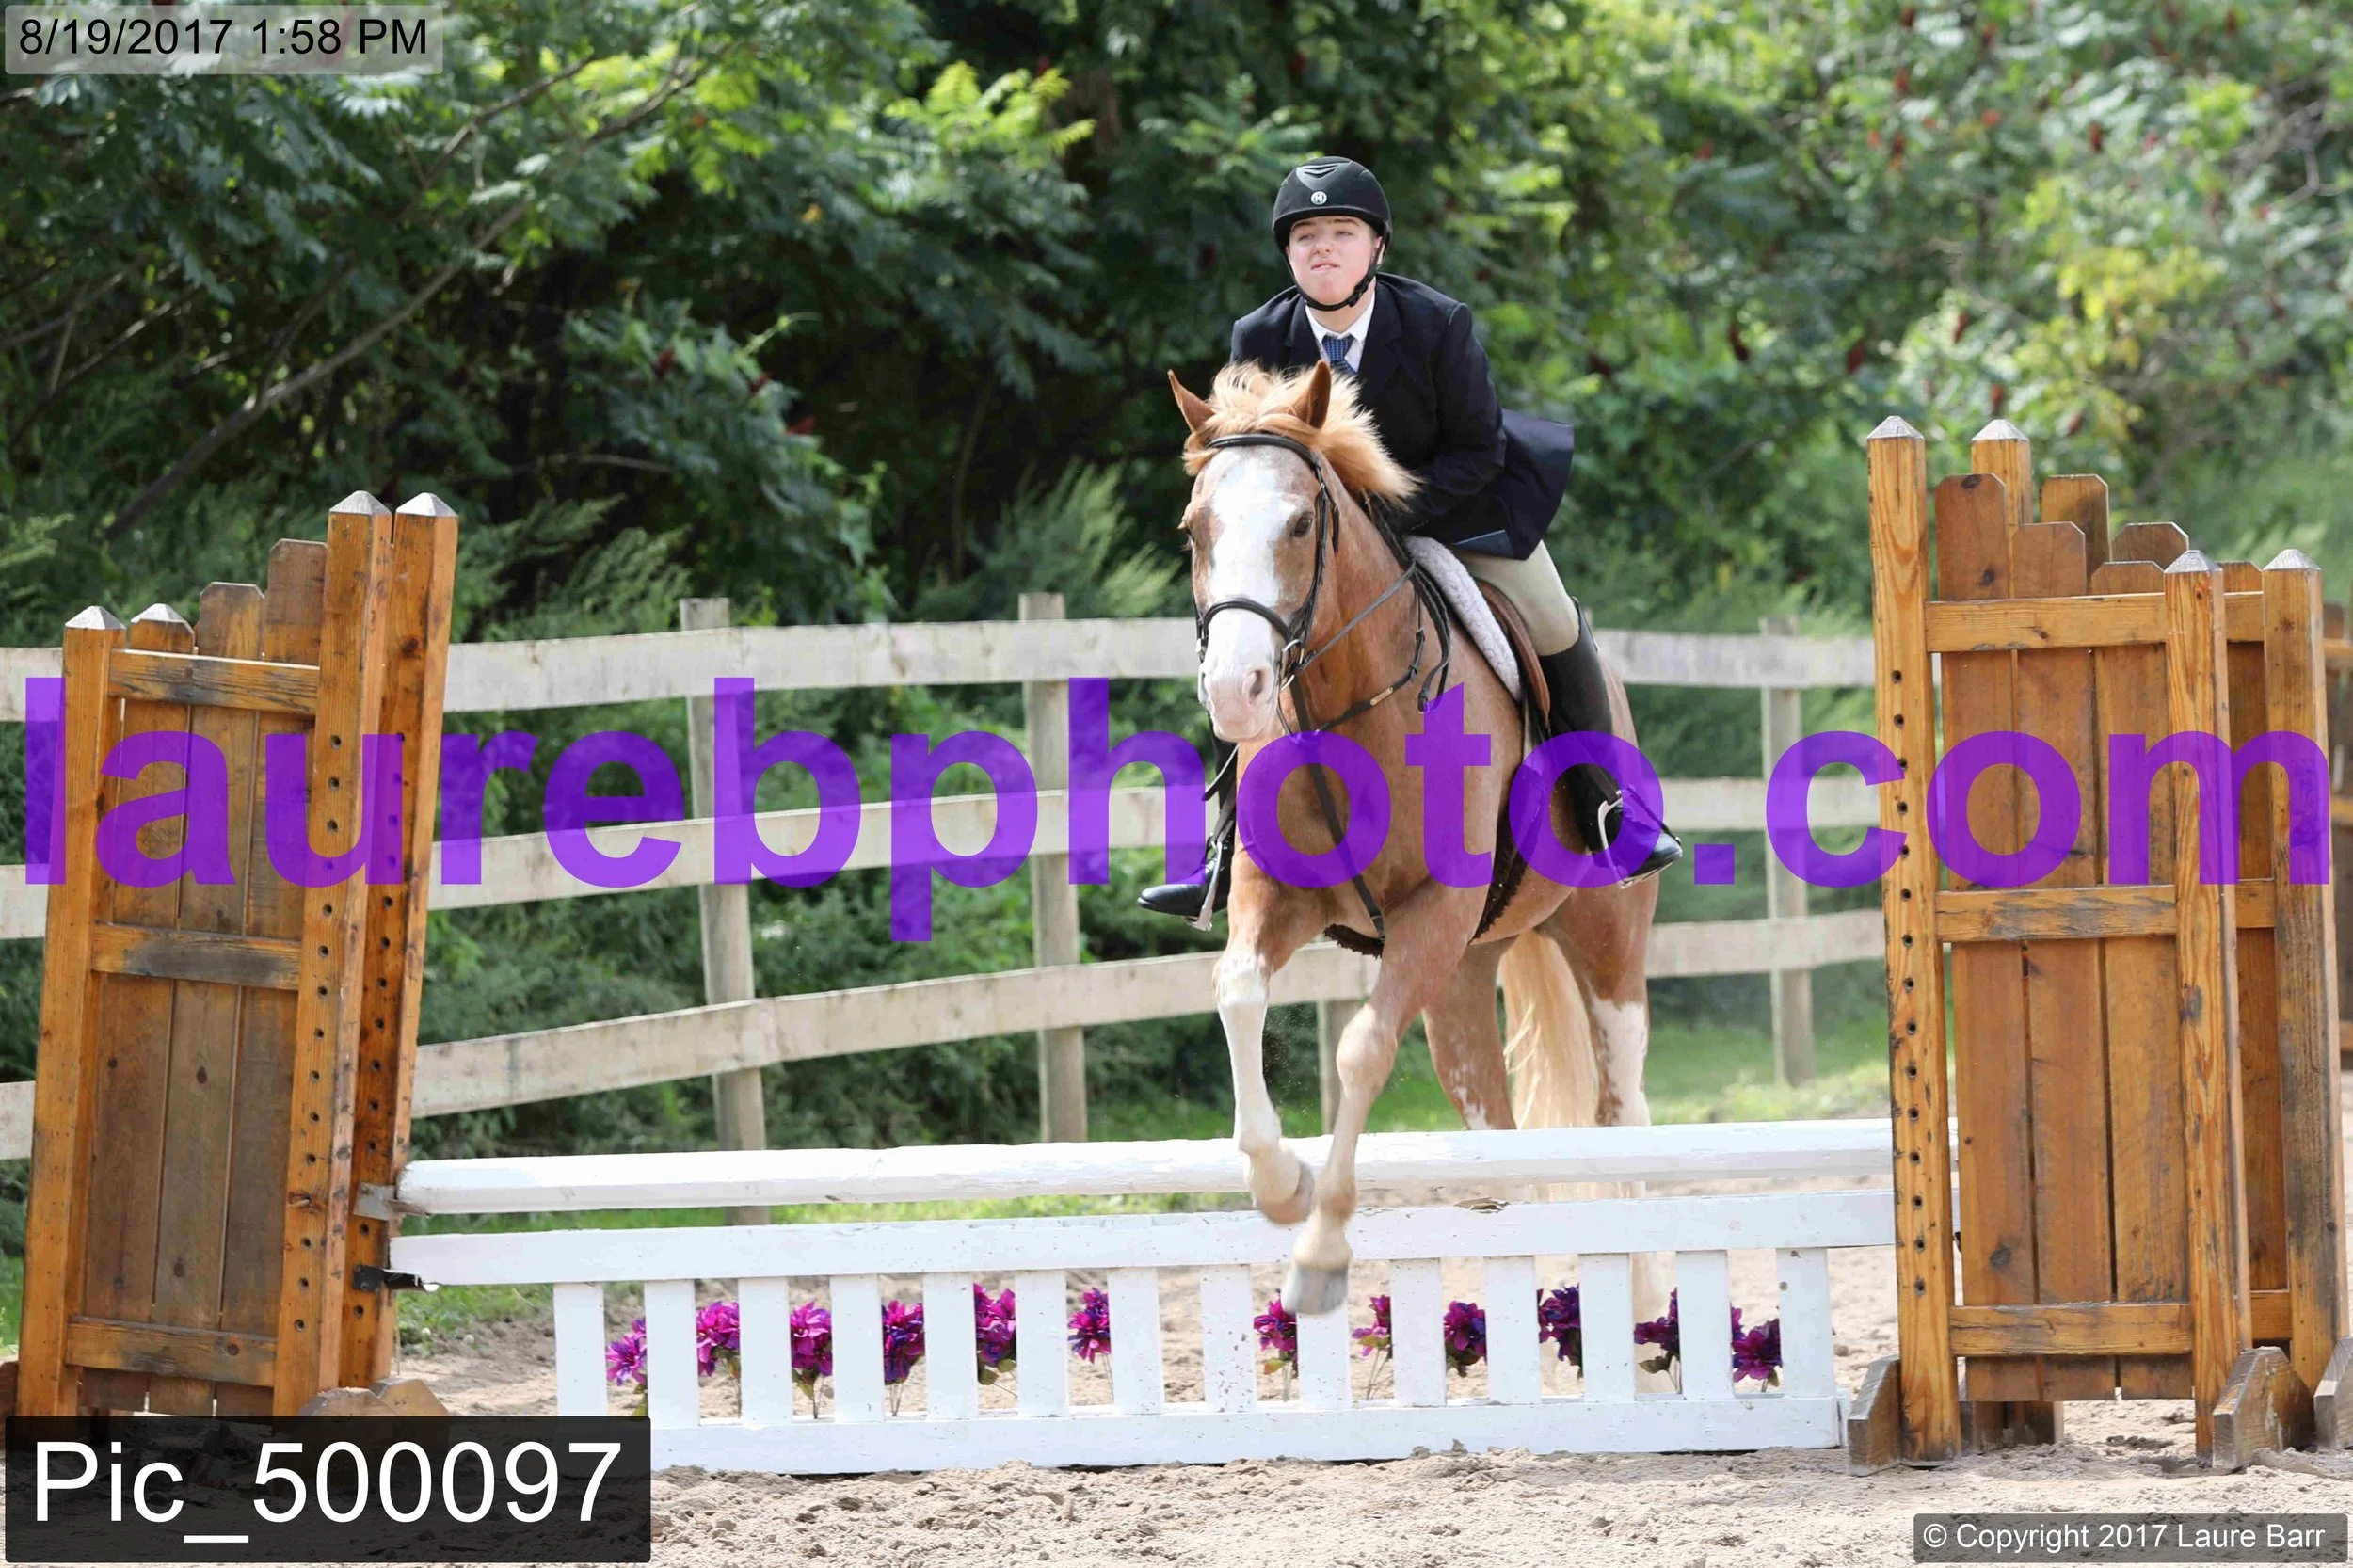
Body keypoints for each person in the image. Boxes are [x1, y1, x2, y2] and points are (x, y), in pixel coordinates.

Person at [1140, 156, 1684, 923]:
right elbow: (1250, 462)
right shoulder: (1259, 335)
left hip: (1453, 515)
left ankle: (1605, 806)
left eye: (1342, 232)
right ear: (1287, 252)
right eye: (1305, 236)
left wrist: (1385, 518)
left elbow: (1480, 451)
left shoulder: (1435, 322)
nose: (1323, 248)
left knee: (1554, 618)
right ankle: (1225, 849)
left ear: (1377, 248)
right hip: (1316, 544)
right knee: (1238, 644)